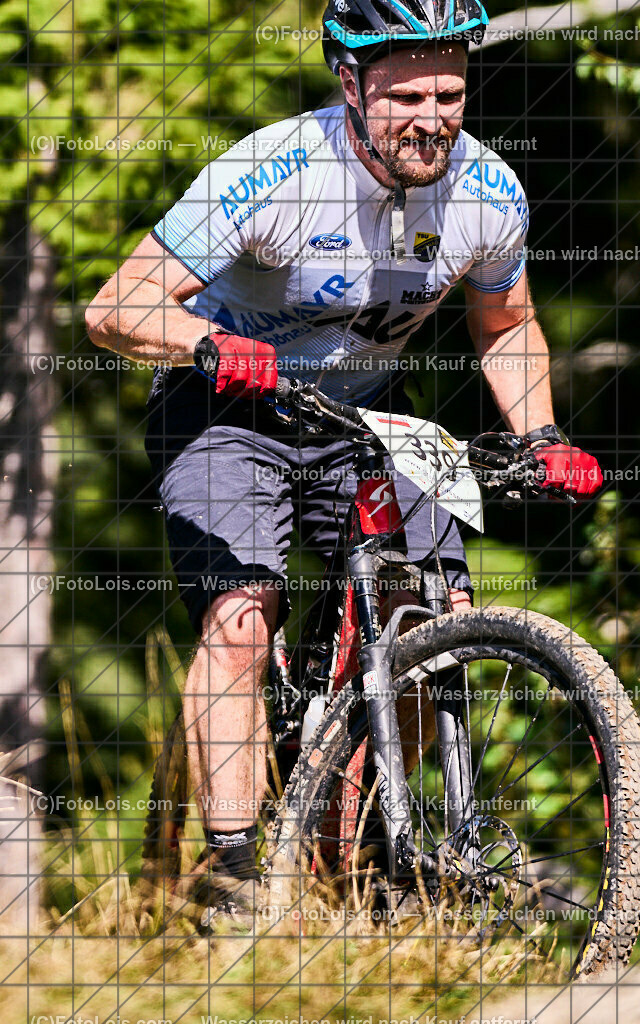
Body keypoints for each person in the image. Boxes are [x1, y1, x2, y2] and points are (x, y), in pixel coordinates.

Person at [85, 0, 603, 933]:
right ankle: (234, 875)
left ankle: (377, 856)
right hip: (228, 405)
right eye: (407, 95)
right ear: (351, 85)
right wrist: (208, 343)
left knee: (432, 619)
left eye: (449, 92)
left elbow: (508, 324)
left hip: (364, 416)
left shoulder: (486, 191)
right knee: (242, 620)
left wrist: (541, 435)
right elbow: (114, 307)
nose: (432, 117)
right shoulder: (273, 171)